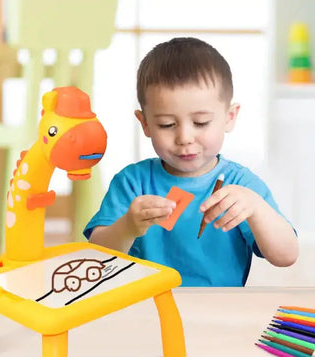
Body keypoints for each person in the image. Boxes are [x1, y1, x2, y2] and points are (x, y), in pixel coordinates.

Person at [84, 37, 298, 286]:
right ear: (145, 124)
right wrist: (127, 226)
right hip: (147, 307)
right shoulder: (132, 183)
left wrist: (255, 209)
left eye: (201, 123)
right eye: (167, 124)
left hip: (218, 310)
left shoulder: (242, 185)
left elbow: (287, 256)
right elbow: (97, 257)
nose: (184, 138)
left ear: (229, 117)